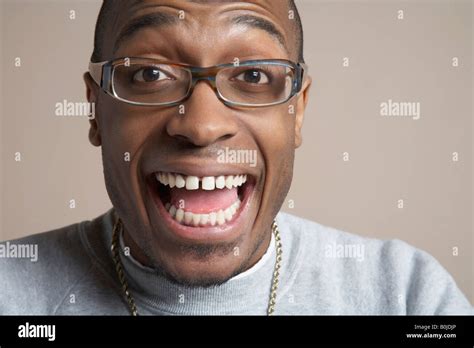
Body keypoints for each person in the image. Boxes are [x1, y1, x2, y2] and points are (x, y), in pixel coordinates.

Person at [0, 0, 471, 315]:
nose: (202, 125)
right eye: (149, 73)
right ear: (95, 109)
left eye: (251, 74)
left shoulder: (408, 298)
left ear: (297, 112)